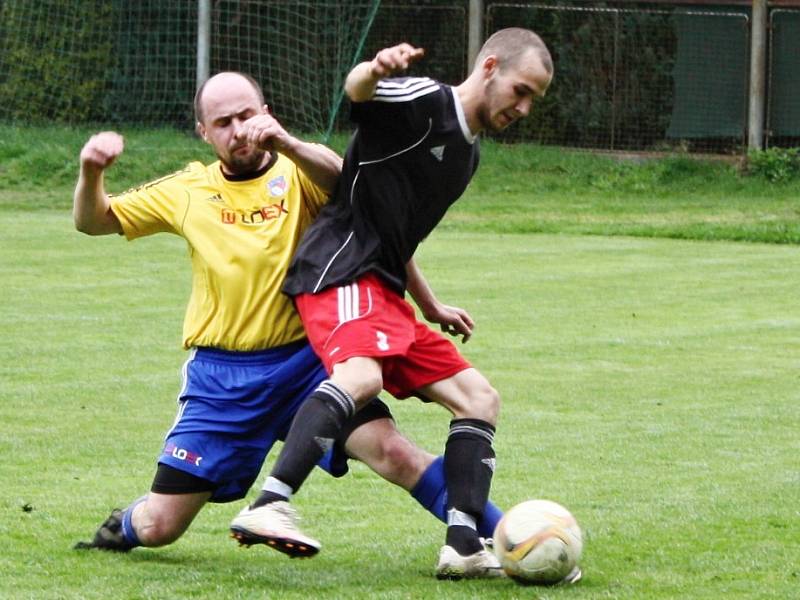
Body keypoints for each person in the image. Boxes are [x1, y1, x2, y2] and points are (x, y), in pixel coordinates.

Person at [71, 71, 503, 555]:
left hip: (308, 364)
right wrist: (92, 171)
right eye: (223, 123)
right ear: (204, 133)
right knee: (160, 527)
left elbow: (366, 211)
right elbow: (93, 221)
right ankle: (124, 525)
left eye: (247, 115)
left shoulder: (302, 167)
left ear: (266, 112)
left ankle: (507, 536)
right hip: (225, 381)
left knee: (393, 453)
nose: (239, 130)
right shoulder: (189, 189)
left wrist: (429, 303)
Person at [228, 27, 577, 583]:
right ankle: (269, 502)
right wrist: (375, 67)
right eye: (521, 89)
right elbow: (357, 91)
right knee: (360, 376)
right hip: (339, 270)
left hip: (384, 288)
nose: (525, 107)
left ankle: (463, 545)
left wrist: (430, 303)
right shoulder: (423, 102)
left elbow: (398, 237)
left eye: (534, 97)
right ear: (489, 67)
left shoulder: (467, 156)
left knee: (478, 397)